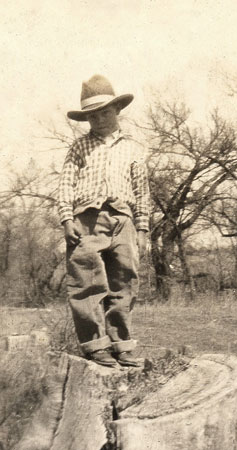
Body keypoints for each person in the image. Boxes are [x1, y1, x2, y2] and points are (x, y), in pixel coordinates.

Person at [57, 74, 150, 367]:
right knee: (86, 282)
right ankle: (95, 345)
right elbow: (66, 183)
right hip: (87, 221)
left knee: (124, 282)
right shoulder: (80, 147)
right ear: (86, 120)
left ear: (117, 110)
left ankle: (122, 344)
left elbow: (142, 189)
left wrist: (143, 227)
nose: (99, 119)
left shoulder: (134, 146)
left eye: (105, 112)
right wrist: (66, 218)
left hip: (124, 219)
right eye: (92, 116)